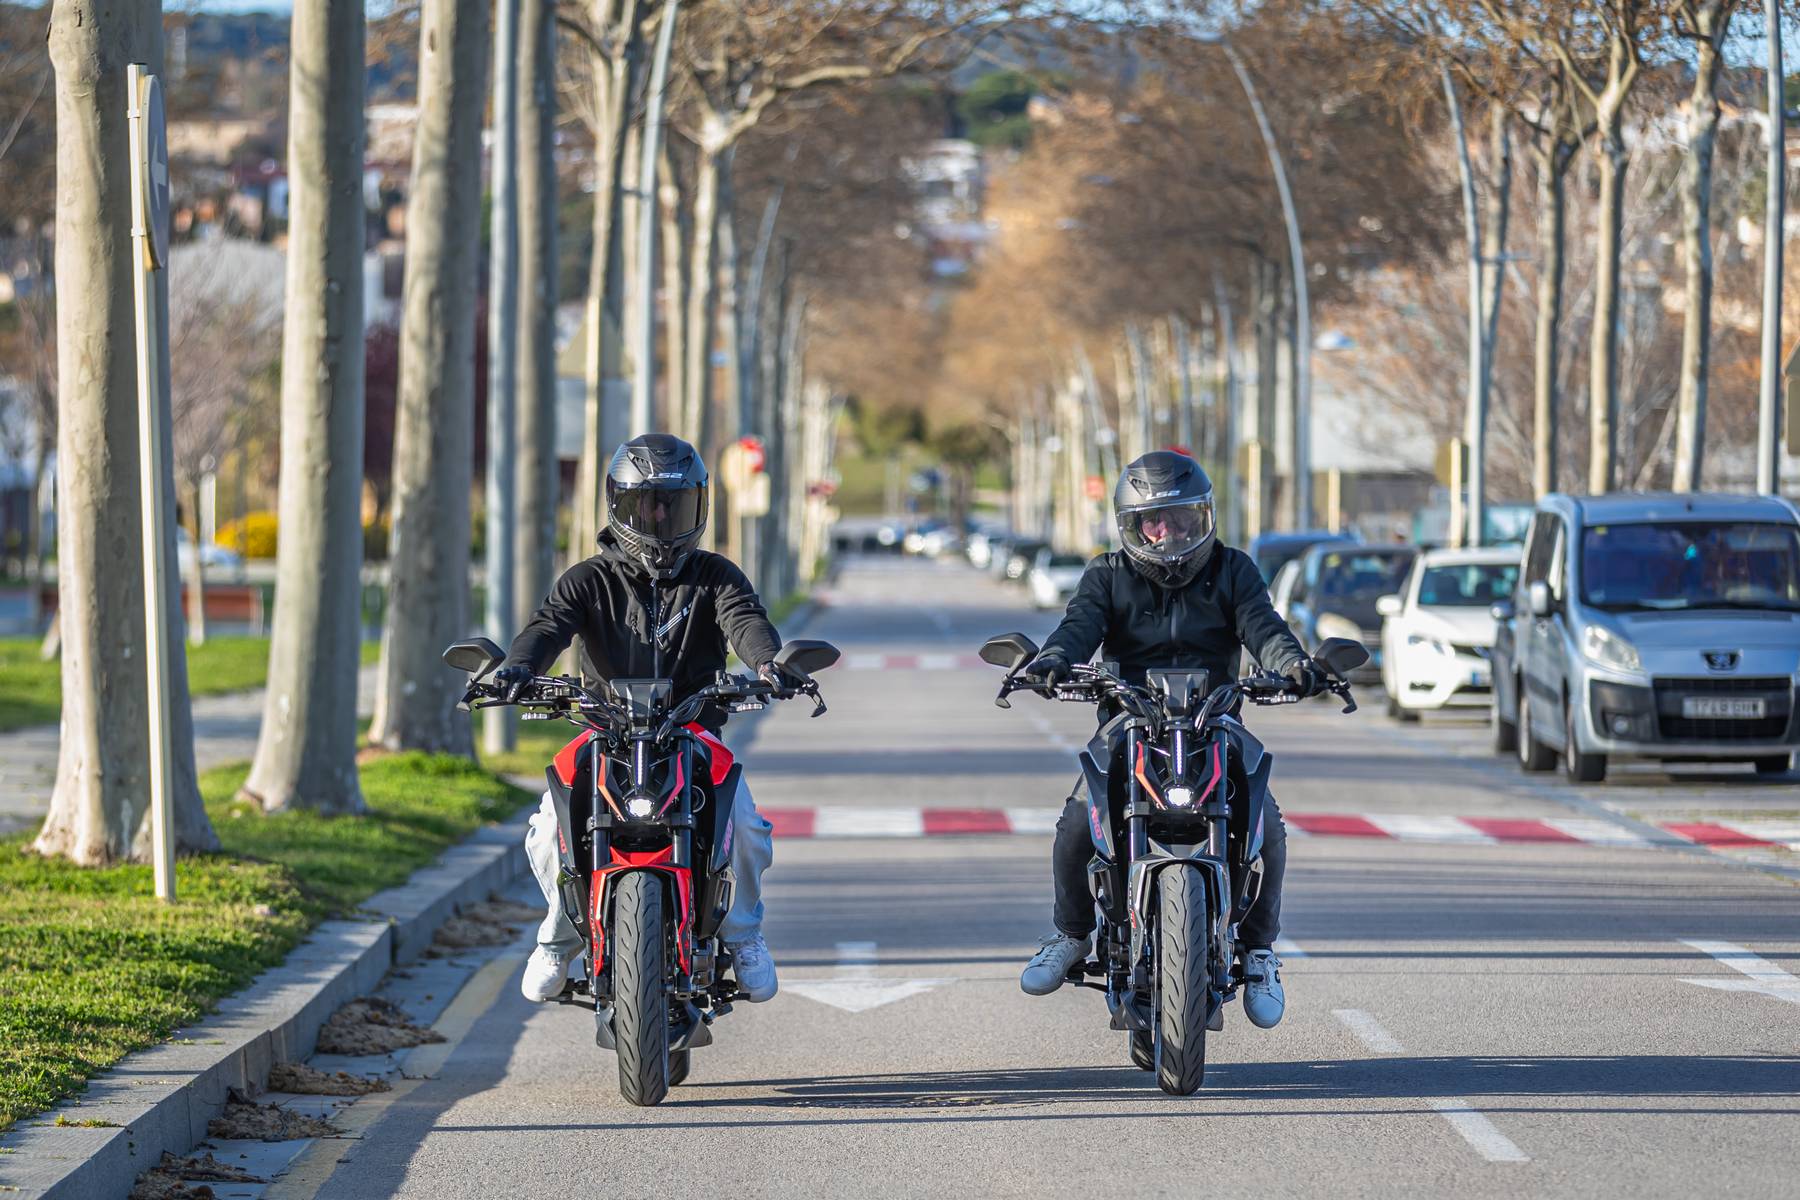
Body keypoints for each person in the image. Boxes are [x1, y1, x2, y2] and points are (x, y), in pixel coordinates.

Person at [1013, 450, 1328, 1029]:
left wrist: (1294, 665)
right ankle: (1072, 934)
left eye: (1182, 518)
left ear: (1202, 517)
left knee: (1267, 824)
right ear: (1132, 526)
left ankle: (1260, 952)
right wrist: (1053, 661)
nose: (1169, 533)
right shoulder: (1107, 574)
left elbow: (1265, 627)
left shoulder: (1233, 570)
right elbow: (1078, 627)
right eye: (1154, 522)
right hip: (1128, 725)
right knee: (1078, 823)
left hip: (1215, 723)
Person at [494, 433, 800, 1005]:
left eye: (673, 505)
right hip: (603, 732)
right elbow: (549, 626)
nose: (660, 519)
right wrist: (518, 667)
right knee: (546, 829)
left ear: (698, 507)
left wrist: (769, 663)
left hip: (692, 730)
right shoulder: (588, 579)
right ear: (618, 504)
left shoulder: (716, 576)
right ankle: (558, 940)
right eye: (647, 505)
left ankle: (744, 936)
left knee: (747, 827)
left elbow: (745, 620)